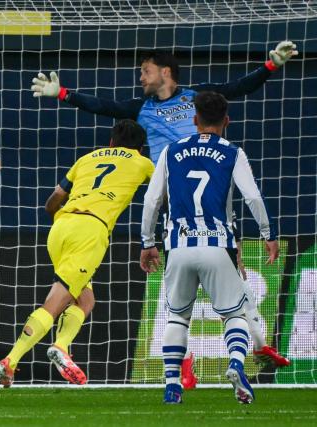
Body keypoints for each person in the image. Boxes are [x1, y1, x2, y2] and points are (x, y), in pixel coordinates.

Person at [31, 42, 296, 383]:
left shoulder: (195, 98)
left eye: (146, 70)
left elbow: (237, 88)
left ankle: (255, 346)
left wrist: (270, 66)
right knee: (196, 285)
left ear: (165, 72)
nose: (141, 77)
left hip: (211, 201)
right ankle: (200, 359)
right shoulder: (141, 108)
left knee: (232, 272)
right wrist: (63, 93)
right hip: (177, 209)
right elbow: (102, 106)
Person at [140, 91, 279, 404]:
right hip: (218, 245)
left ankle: (173, 385)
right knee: (235, 315)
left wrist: (147, 242)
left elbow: (151, 201)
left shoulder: (171, 151)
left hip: (178, 246)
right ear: (226, 121)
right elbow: (253, 197)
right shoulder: (232, 152)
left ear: (194, 120)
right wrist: (268, 234)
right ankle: (235, 364)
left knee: (177, 318)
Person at [0, 119, 154, 387]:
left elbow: (53, 200)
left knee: (85, 299)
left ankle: (62, 345)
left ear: (111, 142)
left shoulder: (87, 158)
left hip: (59, 228)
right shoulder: (141, 162)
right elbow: (163, 187)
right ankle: (10, 360)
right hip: (90, 231)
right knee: (55, 303)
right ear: (140, 148)